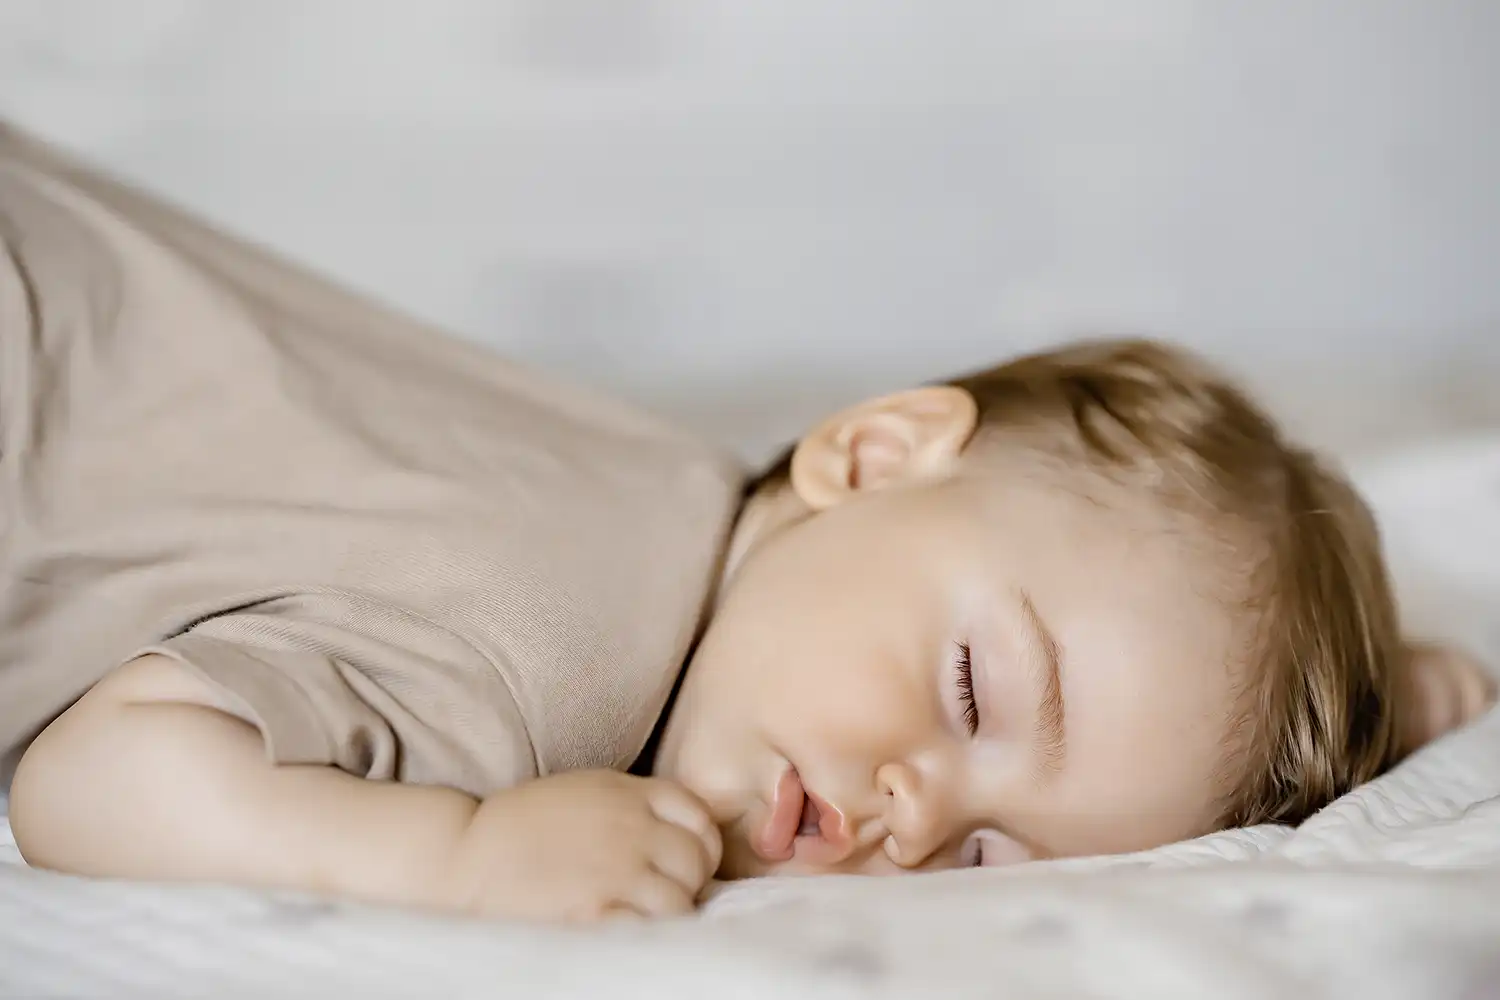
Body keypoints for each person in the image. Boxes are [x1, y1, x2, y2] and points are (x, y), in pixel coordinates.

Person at [4, 125, 1493, 923]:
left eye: (987, 863)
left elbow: (1143, 657)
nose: (915, 816)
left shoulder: (680, 510)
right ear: (870, 451)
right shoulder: (542, 680)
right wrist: (448, 859)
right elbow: (95, 782)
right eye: (973, 691)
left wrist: (1368, 696)